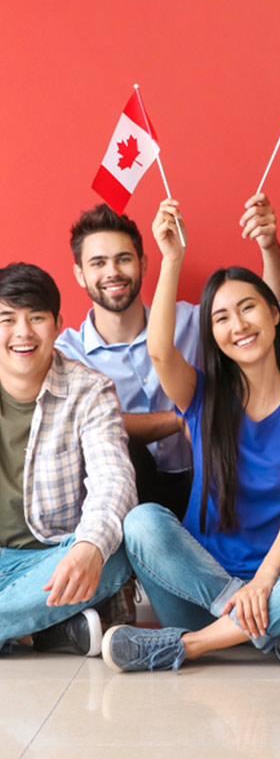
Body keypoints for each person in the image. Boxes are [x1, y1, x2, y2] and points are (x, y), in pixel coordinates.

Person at [102, 200, 280, 672]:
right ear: (212, 333)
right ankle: (278, 636)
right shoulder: (203, 394)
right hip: (197, 588)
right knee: (142, 522)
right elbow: (160, 352)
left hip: (278, 584)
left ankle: (190, 646)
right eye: (221, 317)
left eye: (248, 308)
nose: (238, 324)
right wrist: (172, 258)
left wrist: (265, 584)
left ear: (275, 314)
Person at [57, 193, 280, 520]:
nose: (112, 272)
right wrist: (186, 417)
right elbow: (84, 424)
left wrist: (269, 245)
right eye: (98, 263)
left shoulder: (192, 321)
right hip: (124, 494)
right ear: (79, 274)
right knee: (125, 446)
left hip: (210, 477)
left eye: (123, 259)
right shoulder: (67, 353)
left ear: (143, 264)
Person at [0, 263, 136, 657]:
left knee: (113, 556)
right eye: (7, 319)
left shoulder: (89, 391)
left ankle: (26, 625)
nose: (22, 333)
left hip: (53, 561)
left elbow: (114, 481)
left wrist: (89, 548)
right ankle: (40, 630)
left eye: (36, 318)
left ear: (58, 323)